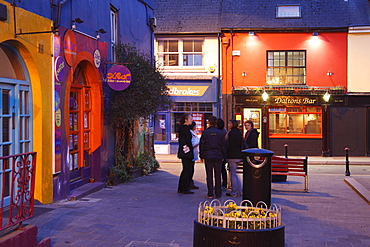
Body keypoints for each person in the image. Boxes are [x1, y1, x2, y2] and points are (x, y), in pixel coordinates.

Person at [200, 115, 225, 199]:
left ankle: (210, 193)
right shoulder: (220, 133)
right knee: (218, 175)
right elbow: (223, 145)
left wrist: (201, 155)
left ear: (209, 122)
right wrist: (223, 155)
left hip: (208, 154)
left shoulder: (205, 132)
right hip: (218, 154)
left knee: (209, 174)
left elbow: (202, 144)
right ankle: (218, 193)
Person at [177, 114, 195, 194]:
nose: (191, 120)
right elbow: (187, 141)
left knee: (186, 169)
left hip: (184, 151)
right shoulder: (185, 129)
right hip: (186, 152)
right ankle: (184, 187)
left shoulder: (183, 128)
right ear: (186, 120)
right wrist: (191, 147)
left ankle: (183, 187)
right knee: (187, 170)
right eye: (190, 119)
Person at [225, 120, 243, 197]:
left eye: (229, 123)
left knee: (233, 174)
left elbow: (228, 145)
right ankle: (239, 190)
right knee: (235, 174)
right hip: (239, 154)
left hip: (232, 155)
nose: (228, 125)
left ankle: (234, 191)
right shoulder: (239, 133)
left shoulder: (231, 134)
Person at [216, 118, 228, 190]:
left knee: (221, 169)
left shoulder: (221, 132)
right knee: (222, 169)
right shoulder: (225, 132)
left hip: (221, 152)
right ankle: (224, 183)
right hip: (223, 152)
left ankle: (223, 183)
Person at [188, 121, 200, 190]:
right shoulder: (190, 133)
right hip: (191, 154)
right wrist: (198, 141)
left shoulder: (193, 133)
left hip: (194, 154)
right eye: (195, 126)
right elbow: (192, 144)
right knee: (190, 169)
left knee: (192, 169)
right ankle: (189, 183)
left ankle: (191, 183)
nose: (196, 127)